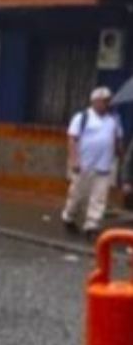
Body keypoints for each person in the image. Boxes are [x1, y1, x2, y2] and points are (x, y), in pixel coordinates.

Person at [64, 87, 124, 238]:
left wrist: (118, 152)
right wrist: (74, 160)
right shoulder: (82, 117)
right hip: (84, 165)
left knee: (99, 197)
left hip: (104, 166)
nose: (107, 104)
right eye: (104, 101)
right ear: (95, 101)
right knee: (78, 195)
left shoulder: (113, 119)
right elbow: (72, 139)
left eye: (108, 101)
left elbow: (117, 138)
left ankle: (92, 225)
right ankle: (69, 216)